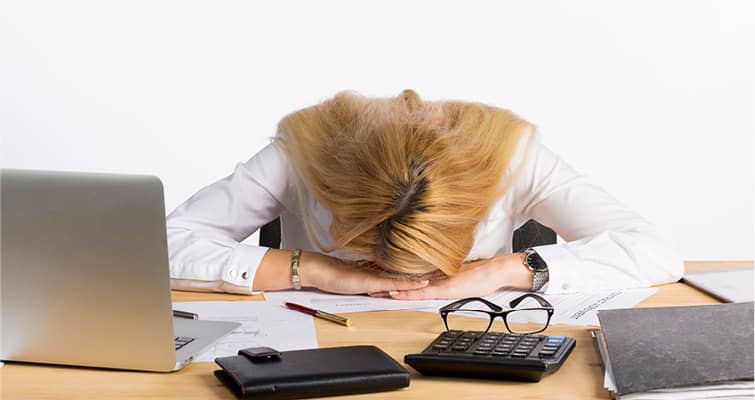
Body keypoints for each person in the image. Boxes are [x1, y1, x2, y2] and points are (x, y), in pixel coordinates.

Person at [166, 89, 683, 299]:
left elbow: (654, 251)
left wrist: (500, 270)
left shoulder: (514, 159)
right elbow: (156, 246)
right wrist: (316, 269)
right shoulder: (301, 154)